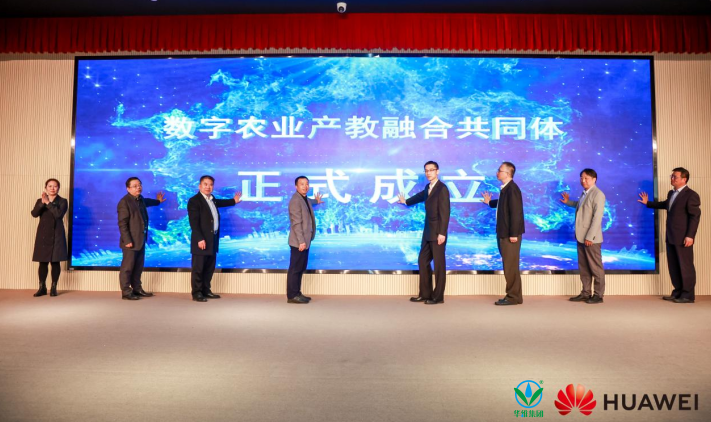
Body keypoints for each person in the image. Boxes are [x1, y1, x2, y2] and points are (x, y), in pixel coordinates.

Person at [638, 167, 701, 303]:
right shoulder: (671, 193)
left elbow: (695, 217)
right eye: (671, 176)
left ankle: (687, 295)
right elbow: (666, 204)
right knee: (673, 266)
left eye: (675, 177)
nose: (672, 179)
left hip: (683, 238)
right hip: (671, 236)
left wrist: (690, 236)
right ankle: (677, 292)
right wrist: (648, 203)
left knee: (685, 266)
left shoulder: (691, 195)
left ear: (684, 179)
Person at [398, 161, 451, 305]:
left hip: (438, 233)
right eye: (426, 170)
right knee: (423, 261)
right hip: (428, 231)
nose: (428, 173)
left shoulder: (442, 189)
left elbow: (445, 213)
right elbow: (420, 196)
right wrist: (406, 201)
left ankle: (438, 297)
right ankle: (425, 294)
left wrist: (442, 233)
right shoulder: (428, 187)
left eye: (431, 170)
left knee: (439, 266)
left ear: (437, 171)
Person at [187, 175, 241, 302]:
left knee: (209, 268)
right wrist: (199, 239)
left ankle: (206, 290)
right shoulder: (194, 201)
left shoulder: (212, 199)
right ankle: (197, 293)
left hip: (212, 240)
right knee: (198, 268)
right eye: (205, 184)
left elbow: (221, 203)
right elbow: (194, 223)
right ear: (200, 186)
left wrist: (233, 201)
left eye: (210, 184)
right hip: (201, 241)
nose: (208, 187)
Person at [560, 169, 606, 304]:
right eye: (581, 178)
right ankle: (586, 293)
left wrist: (590, 237)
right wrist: (568, 202)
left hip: (591, 239)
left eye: (586, 178)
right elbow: (581, 206)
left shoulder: (598, 194)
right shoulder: (585, 193)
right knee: (584, 267)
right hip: (581, 236)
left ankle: (598, 295)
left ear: (594, 179)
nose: (583, 180)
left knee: (595, 268)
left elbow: (597, 218)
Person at [117, 177, 166, 300]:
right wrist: (127, 240)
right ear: (128, 188)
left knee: (138, 266)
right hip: (130, 241)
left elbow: (147, 202)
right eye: (135, 186)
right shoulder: (124, 202)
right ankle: (126, 292)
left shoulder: (140, 199)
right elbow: (122, 224)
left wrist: (158, 201)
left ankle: (137, 289)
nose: (138, 187)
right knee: (127, 268)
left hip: (140, 239)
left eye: (139, 185)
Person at [482, 162, 525, 306]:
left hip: (509, 235)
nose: (497, 173)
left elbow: (516, 213)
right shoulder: (506, 189)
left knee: (510, 266)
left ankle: (512, 297)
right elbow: (502, 203)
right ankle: (515, 296)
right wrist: (489, 203)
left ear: (507, 173)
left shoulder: (512, 189)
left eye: (499, 170)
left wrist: (513, 234)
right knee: (510, 265)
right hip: (504, 232)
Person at [286, 176, 324, 304]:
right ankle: (292, 295)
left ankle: (297, 292)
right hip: (299, 242)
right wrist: (301, 241)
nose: (305, 186)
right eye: (302, 184)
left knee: (300, 268)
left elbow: (308, 203)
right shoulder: (295, 200)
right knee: (295, 269)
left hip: (305, 241)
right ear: (296, 186)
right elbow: (296, 223)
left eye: (307, 184)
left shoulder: (304, 198)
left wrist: (316, 201)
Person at [31, 179, 68, 297]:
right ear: (46, 188)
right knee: (42, 262)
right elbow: (34, 214)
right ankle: (42, 287)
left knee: (55, 261)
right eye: (50, 186)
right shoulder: (40, 200)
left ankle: (53, 287)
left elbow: (58, 215)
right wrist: (42, 203)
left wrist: (48, 203)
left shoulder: (63, 201)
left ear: (58, 188)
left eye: (55, 186)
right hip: (43, 235)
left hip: (57, 235)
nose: (52, 188)